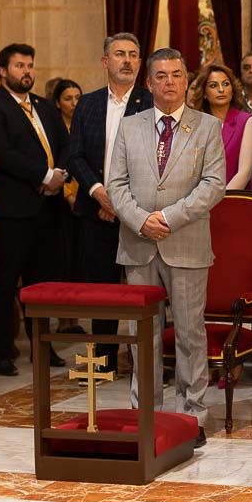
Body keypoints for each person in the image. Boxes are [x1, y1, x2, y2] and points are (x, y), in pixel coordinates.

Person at [108, 48, 226, 449]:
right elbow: (116, 185)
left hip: (186, 242)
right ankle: (147, 414)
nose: (169, 82)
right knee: (144, 334)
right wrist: (141, 220)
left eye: (177, 74)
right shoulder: (130, 126)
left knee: (191, 334)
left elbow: (213, 185)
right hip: (138, 244)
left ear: (187, 79)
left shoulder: (207, 127)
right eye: (161, 76)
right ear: (149, 82)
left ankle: (192, 416)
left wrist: (169, 218)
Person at [0, 43, 68, 376]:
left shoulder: (44, 105)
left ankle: (44, 346)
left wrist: (60, 175)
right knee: (5, 282)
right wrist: (43, 176)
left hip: (48, 207)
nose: (26, 71)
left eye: (30, 65)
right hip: (13, 210)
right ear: (2, 71)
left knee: (43, 284)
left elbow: (64, 144)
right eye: (19, 66)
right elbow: (1, 153)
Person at [66, 33, 152, 374]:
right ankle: (102, 357)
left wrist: (121, 201)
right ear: (105, 61)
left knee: (142, 288)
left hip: (138, 212)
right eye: (120, 54)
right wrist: (99, 191)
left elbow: (153, 160)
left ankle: (143, 358)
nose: (127, 60)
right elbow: (75, 155)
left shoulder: (151, 103)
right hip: (95, 210)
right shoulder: (88, 103)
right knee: (101, 288)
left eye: (133, 54)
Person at [190, 62, 252, 189]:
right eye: (213, 85)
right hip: (198, 203)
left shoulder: (246, 121)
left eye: (226, 84)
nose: (221, 89)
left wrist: (220, 202)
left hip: (234, 200)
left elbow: (245, 172)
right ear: (204, 93)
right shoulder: (195, 123)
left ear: (232, 90)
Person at [52, 78, 85, 334]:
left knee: (79, 261)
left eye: (77, 98)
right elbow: (59, 166)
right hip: (60, 203)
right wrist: (67, 193)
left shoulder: (84, 125)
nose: (74, 103)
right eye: (68, 98)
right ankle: (64, 319)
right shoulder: (55, 129)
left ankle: (76, 317)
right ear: (57, 103)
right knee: (62, 260)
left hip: (84, 199)